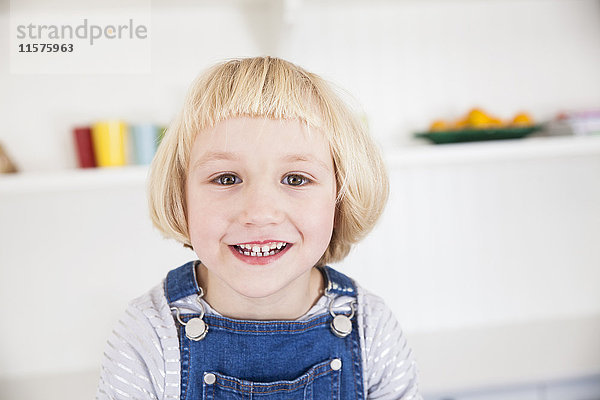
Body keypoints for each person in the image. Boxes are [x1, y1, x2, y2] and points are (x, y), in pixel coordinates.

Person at [97, 56, 422, 400]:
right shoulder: (149, 333)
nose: (259, 213)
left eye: (296, 179)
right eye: (226, 178)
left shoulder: (371, 328)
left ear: (341, 198)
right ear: (181, 197)